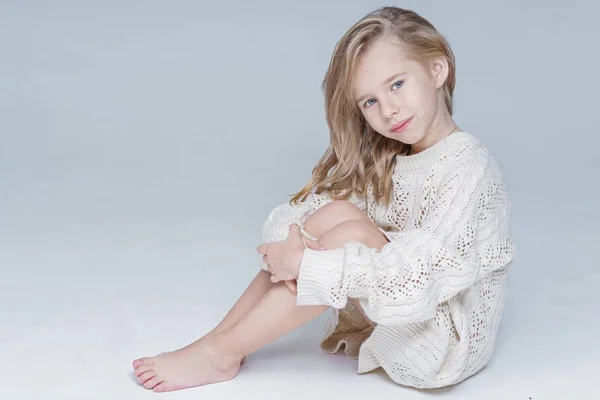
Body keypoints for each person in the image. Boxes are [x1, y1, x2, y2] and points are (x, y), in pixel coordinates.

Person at [132, 6, 516, 393]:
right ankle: (218, 342)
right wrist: (292, 245)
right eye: (369, 102)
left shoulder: (469, 166)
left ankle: (219, 353)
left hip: (440, 342)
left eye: (397, 84)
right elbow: (306, 212)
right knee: (337, 212)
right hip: (396, 311)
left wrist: (308, 264)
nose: (388, 110)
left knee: (349, 233)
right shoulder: (393, 155)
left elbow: (420, 275)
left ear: (437, 70)